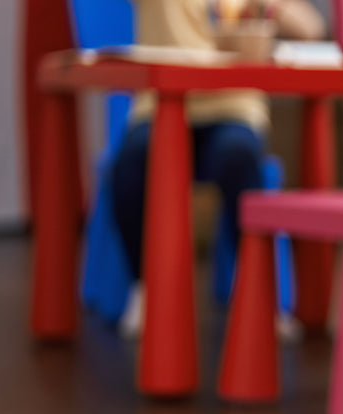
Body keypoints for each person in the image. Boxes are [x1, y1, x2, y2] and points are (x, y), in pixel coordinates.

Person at [111, 0, 326, 335]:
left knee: (239, 158)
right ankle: (144, 287)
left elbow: (312, 28)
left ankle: (259, 297)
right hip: (161, 105)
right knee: (130, 164)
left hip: (232, 106)